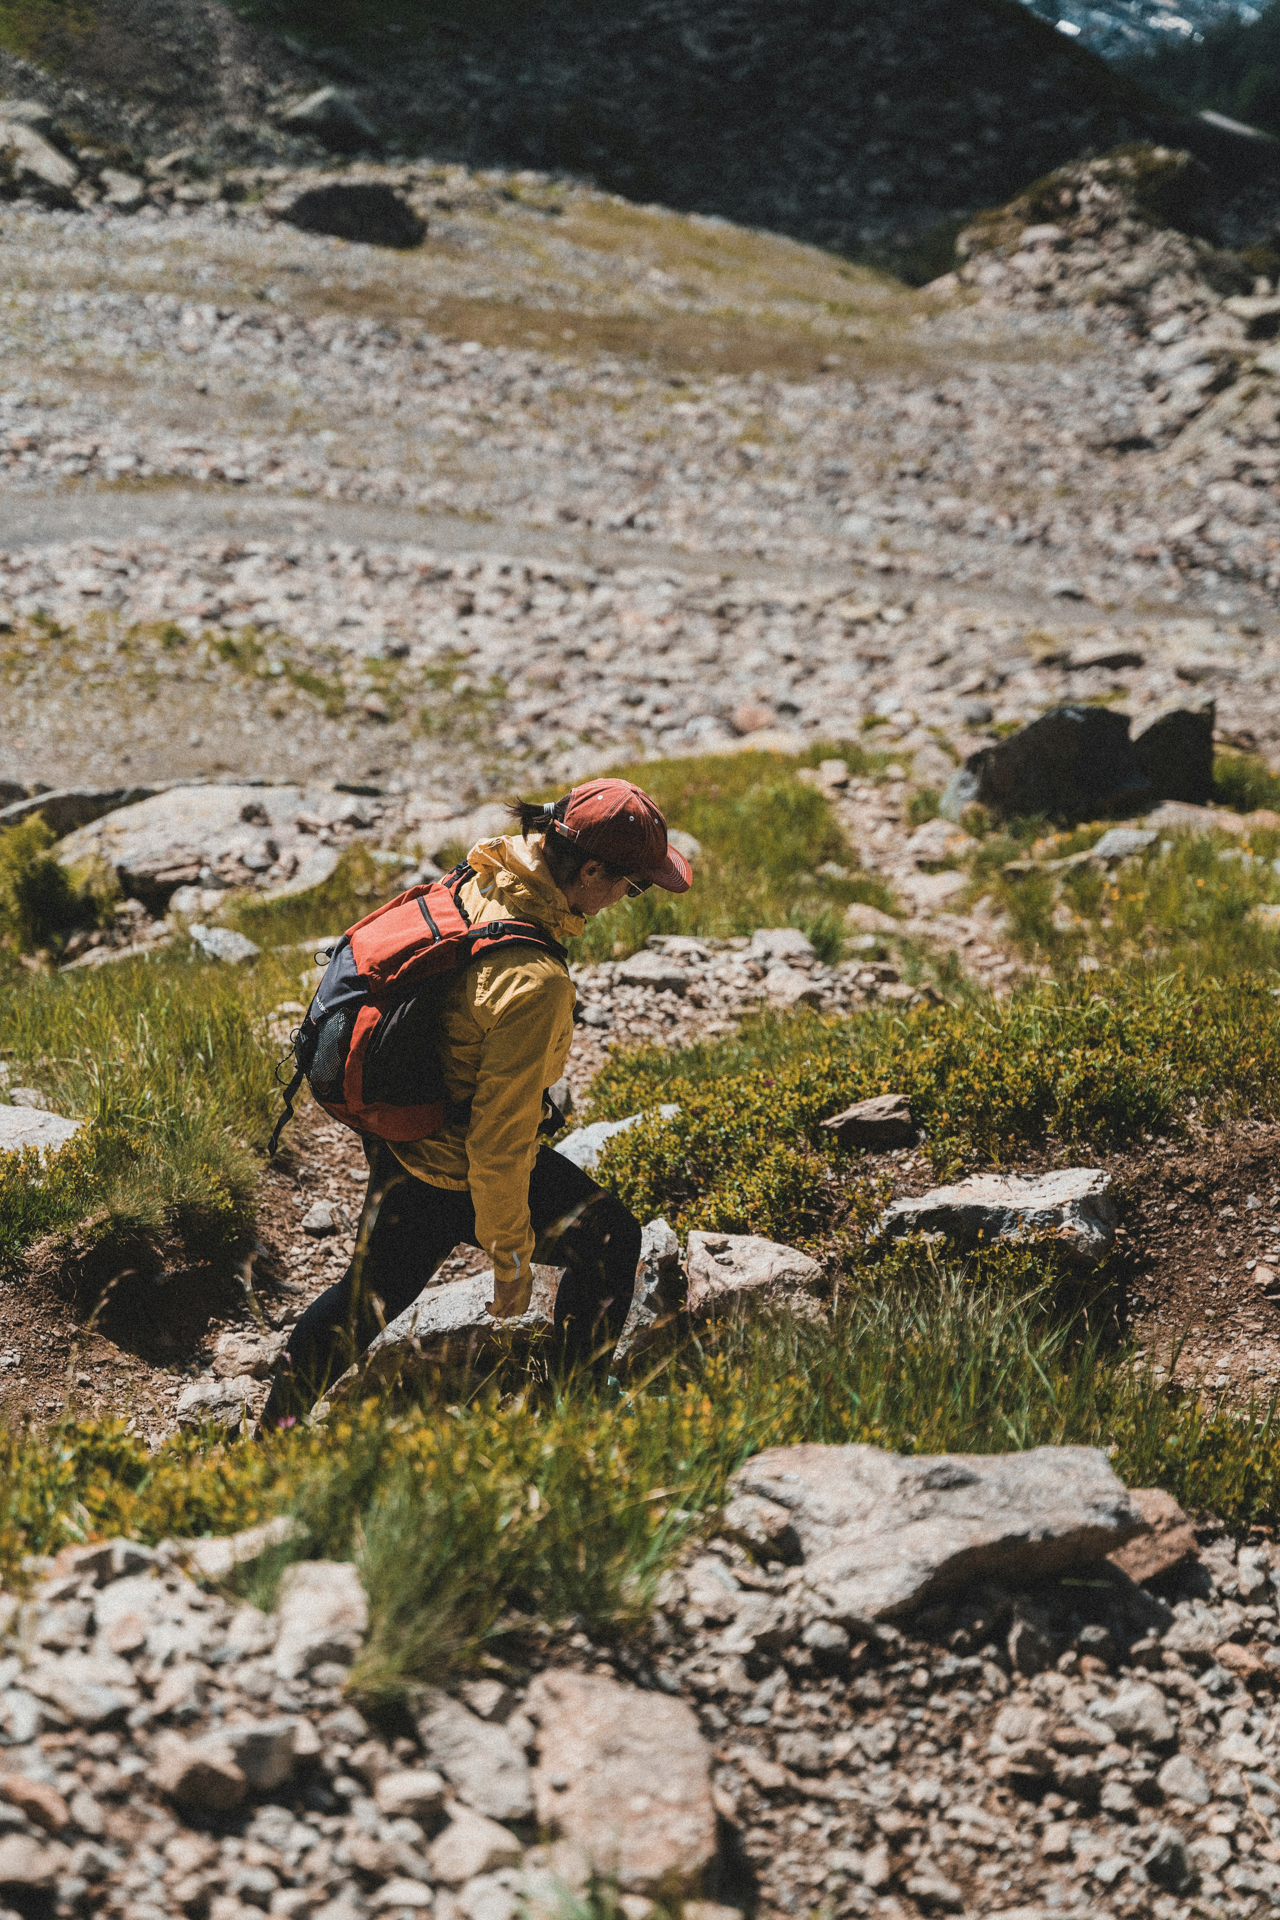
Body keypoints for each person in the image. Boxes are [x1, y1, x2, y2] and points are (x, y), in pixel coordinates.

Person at [261, 777, 692, 1425]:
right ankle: (567, 1421)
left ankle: (270, 1433)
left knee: (368, 1297)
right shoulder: (533, 982)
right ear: (594, 869)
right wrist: (511, 1263)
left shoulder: (486, 870)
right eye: (632, 886)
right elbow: (499, 1145)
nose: (628, 901)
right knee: (610, 1243)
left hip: (400, 1131)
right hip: (450, 1162)